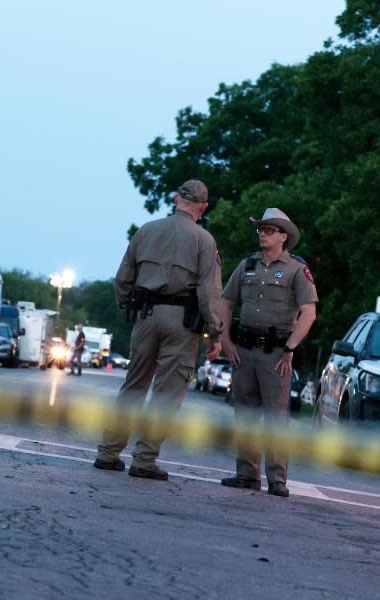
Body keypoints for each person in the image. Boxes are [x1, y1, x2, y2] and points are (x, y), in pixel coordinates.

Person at [94, 179, 225, 480]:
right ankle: (143, 460)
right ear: (203, 207)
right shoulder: (204, 240)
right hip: (181, 321)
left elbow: (122, 278)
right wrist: (215, 334)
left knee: (134, 385)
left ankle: (108, 453)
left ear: (176, 198)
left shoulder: (146, 231)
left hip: (146, 315)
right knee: (167, 393)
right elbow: (209, 292)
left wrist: (129, 305)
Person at [219, 208, 318, 497]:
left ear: (284, 236)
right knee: (245, 415)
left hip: (276, 354)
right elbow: (226, 302)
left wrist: (290, 348)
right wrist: (225, 340)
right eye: (261, 229)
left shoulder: (297, 270)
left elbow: (309, 313)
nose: (262, 233)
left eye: (269, 230)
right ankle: (247, 475)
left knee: (276, 418)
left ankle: (277, 480)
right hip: (244, 350)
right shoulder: (247, 265)